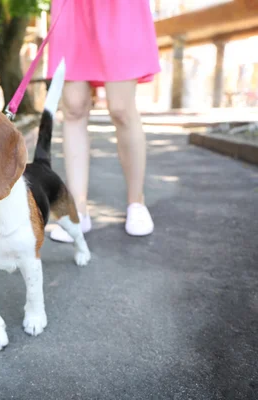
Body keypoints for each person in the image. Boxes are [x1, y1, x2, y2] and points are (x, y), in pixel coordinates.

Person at [46, 0, 161, 242]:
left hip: (120, 7)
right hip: (74, 8)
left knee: (121, 108)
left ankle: (136, 202)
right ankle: (78, 209)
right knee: (73, 107)